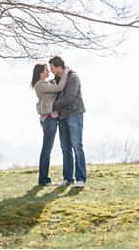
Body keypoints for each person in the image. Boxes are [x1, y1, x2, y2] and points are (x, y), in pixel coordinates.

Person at [49, 56, 87, 188]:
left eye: (52, 68)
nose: (51, 71)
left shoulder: (73, 78)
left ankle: (81, 179)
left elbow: (69, 97)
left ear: (60, 67)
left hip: (74, 114)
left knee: (77, 146)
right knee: (65, 148)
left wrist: (53, 105)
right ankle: (67, 178)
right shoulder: (56, 81)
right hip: (63, 117)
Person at [31, 63, 70, 186]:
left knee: (47, 149)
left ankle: (44, 179)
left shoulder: (46, 83)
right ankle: (43, 179)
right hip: (48, 119)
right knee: (47, 149)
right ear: (41, 72)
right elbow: (59, 88)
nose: (48, 72)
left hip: (51, 118)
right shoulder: (40, 85)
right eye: (46, 70)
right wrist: (65, 74)